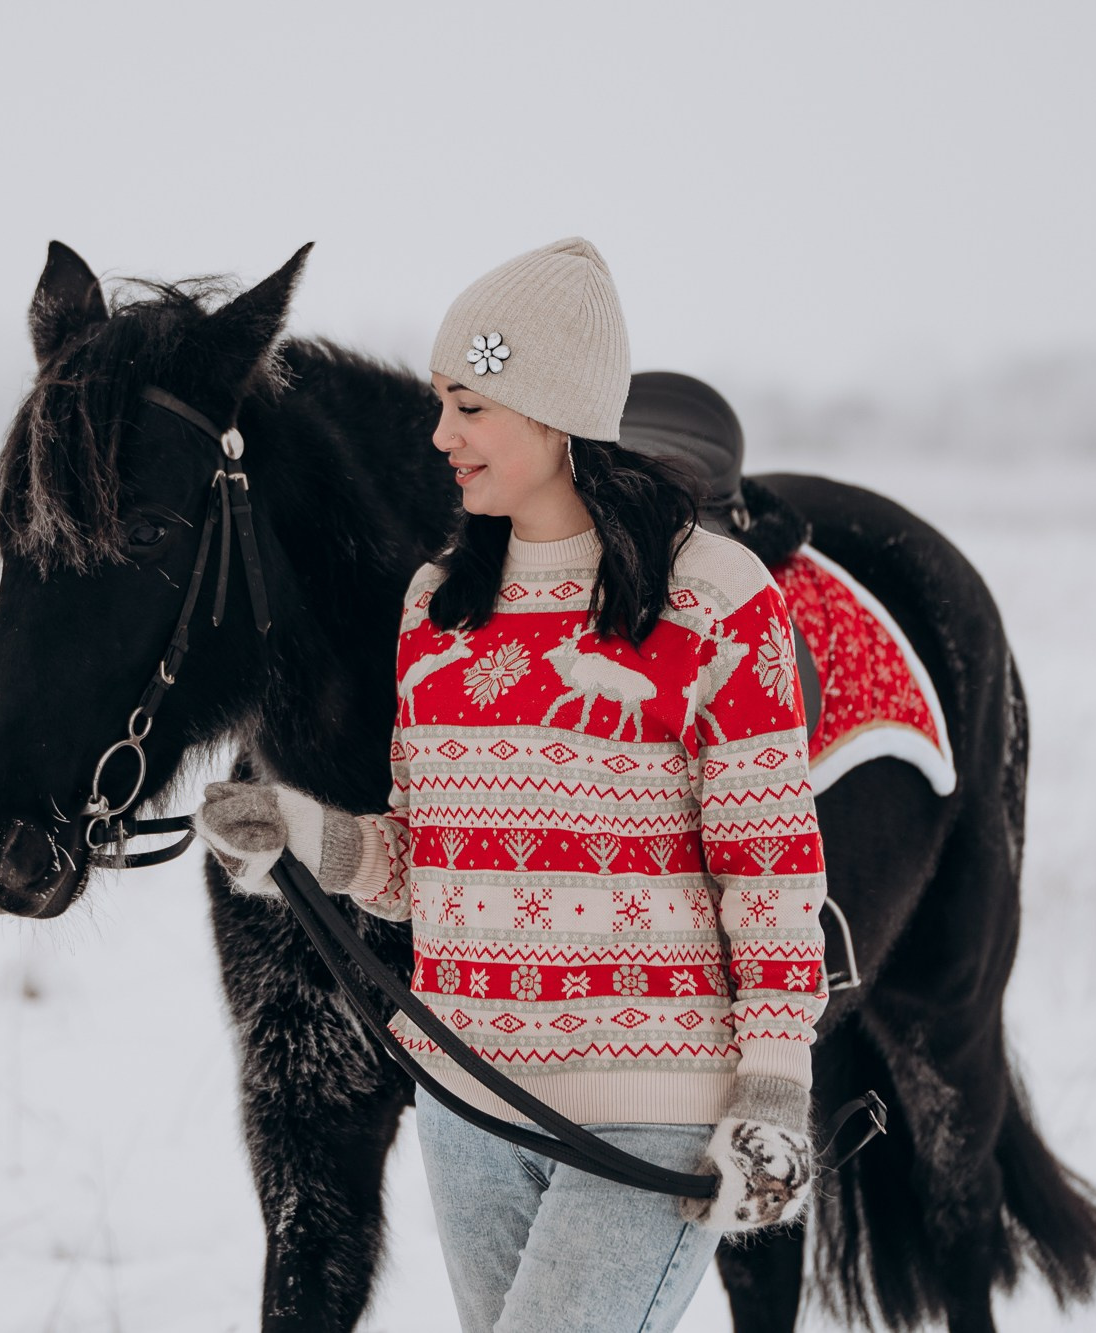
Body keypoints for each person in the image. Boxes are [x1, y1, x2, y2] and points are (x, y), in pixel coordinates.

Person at [194, 237, 828, 1333]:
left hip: (651, 1112)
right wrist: (301, 830)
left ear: (553, 409)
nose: (437, 435)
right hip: (468, 1104)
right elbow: (424, 866)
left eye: (469, 406)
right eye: (440, 403)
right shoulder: (437, 609)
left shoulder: (716, 596)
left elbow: (767, 869)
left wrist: (772, 1085)